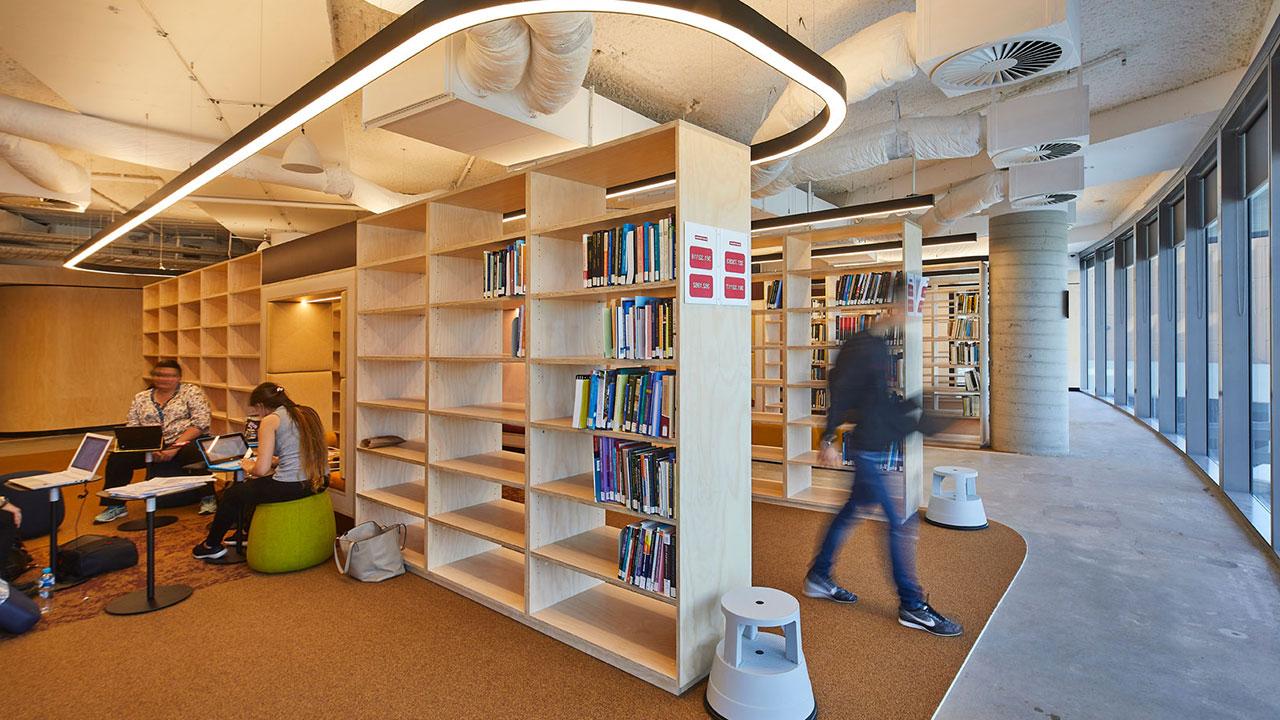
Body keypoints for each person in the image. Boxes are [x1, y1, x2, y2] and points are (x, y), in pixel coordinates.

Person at [803, 276, 963, 637]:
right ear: (894, 308)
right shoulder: (862, 348)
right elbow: (840, 393)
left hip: (874, 446)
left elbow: (875, 401)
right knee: (901, 523)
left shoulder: (879, 346)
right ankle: (912, 604)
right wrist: (827, 437)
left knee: (849, 514)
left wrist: (917, 405)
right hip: (867, 451)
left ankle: (819, 575)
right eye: (909, 311)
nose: (910, 318)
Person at [193, 383, 328, 560]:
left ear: (261, 406)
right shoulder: (308, 413)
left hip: (293, 485)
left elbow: (260, 470)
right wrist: (278, 461)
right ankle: (246, 532)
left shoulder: (270, 420)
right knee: (253, 489)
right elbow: (304, 452)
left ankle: (211, 545)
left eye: (256, 411)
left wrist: (249, 466)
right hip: (320, 480)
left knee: (232, 494)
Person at [94, 360, 215, 524]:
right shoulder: (141, 398)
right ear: (153, 377)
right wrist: (149, 450)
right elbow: (133, 426)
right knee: (118, 458)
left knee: (197, 452)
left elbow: (201, 424)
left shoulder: (191, 392)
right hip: (149, 445)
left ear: (179, 378)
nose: (164, 379)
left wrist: (173, 448)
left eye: (170, 375)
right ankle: (115, 505)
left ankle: (208, 497)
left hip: (183, 441)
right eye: (159, 375)